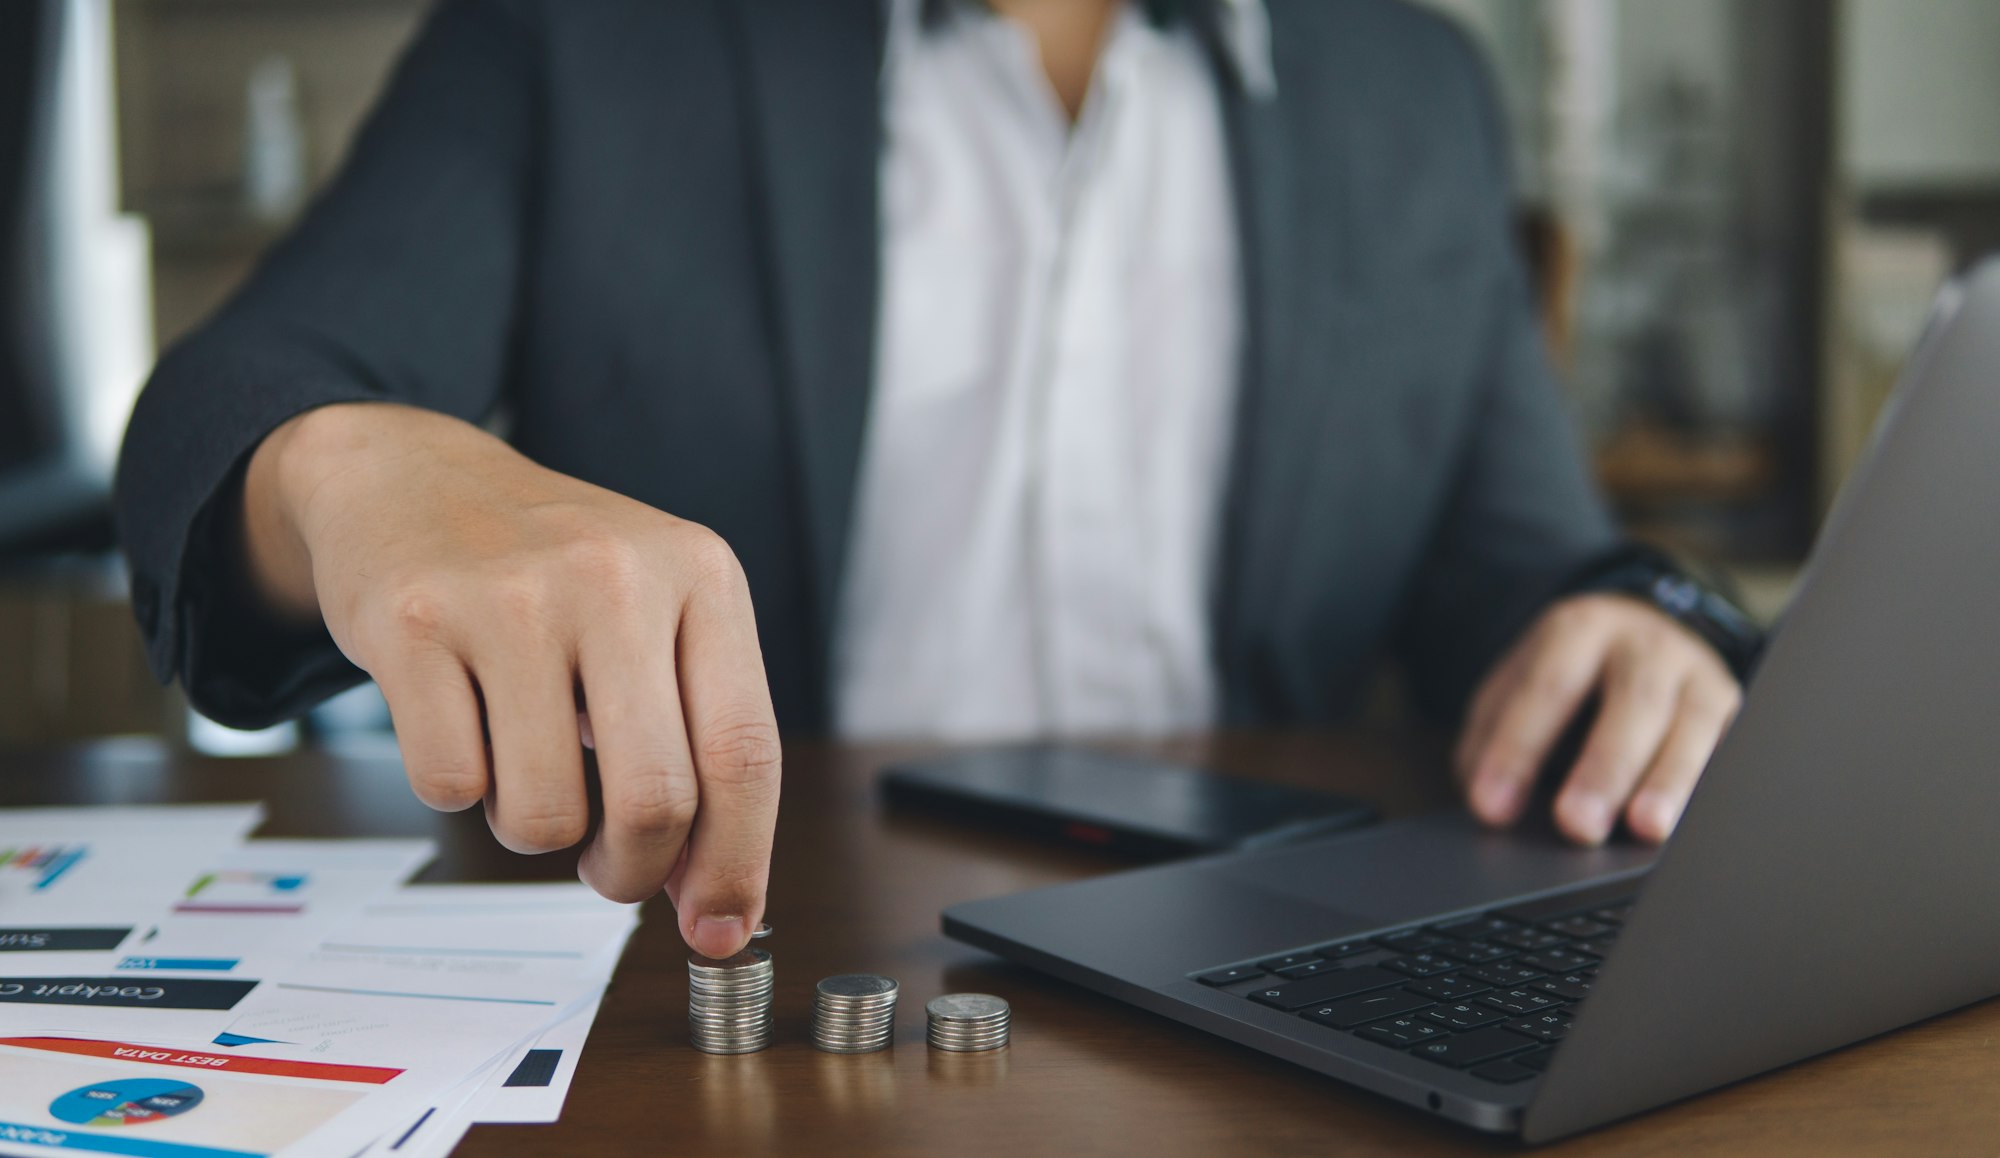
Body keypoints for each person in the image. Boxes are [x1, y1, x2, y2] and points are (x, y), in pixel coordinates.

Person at [115, 0, 1759, 962]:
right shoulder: (583, 35)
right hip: (709, 975)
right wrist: (352, 464)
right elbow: (240, 399)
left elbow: (1534, 574)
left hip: (1277, 987)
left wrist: (1646, 625)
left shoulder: (1414, 86)